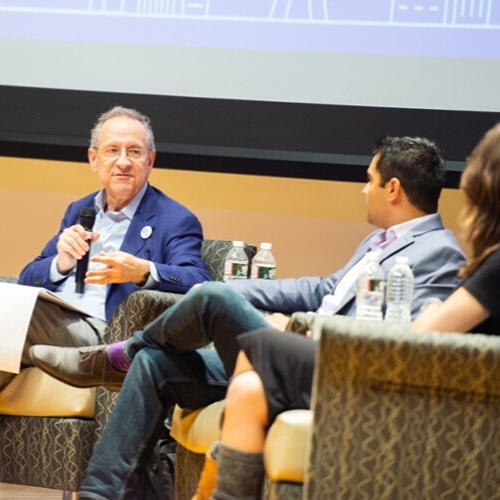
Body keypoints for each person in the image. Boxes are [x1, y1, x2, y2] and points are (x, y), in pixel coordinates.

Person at [30, 136, 466, 499]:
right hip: (297, 352)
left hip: (325, 365)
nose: (362, 189)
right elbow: (320, 291)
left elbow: (400, 339)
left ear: (392, 188)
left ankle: (114, 357)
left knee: (214, 300)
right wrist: (226, 289)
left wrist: (298, 327)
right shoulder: (379, 240)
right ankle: (99, 493)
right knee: (157, 361)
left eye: (368, 180)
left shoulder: (439, 252)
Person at [192, 121, 500, 500]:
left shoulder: (484, 262)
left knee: (262, 342)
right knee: (248, 389)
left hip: (403, 386)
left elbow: (422, 338)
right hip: (410, 376)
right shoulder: (384, 243)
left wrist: (302, 327)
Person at [0, 105, 212, 390]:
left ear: (150, 160)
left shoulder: (175, 219)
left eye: (134, 152)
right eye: (112, 150)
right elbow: (28, 278)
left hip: (107, 331)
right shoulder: (80, 209)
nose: (123, 162)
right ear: (94, 158)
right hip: (56, 317)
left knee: (12, 317)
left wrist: (143, 271)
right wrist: (60, 262)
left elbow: (199, 280)